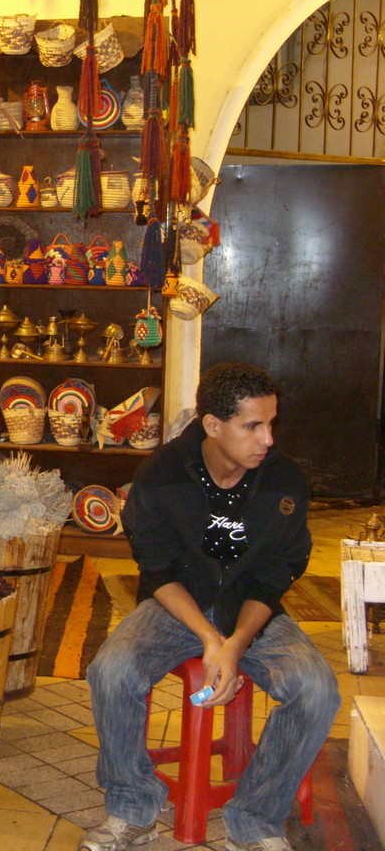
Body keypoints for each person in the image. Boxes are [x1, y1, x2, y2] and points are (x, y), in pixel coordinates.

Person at [81, 363, 340, 851]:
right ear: (213, 425)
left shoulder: (285, 482)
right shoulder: (160, 476)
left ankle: (256, 820)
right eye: (252, 426)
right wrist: (208, 638)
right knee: (111, 671)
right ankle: (133, 809)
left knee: (316, 690)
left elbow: (273, 577)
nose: (267, 438)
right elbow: (157, 572)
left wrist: (235, 644)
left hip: (252, 611)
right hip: (177, 604)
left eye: (271, 424)